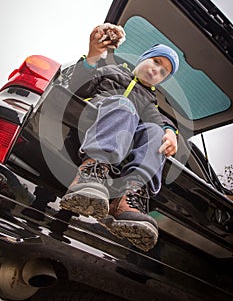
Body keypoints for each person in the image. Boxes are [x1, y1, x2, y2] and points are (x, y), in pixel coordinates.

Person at [60, 24, 179, 251]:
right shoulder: (112, 71)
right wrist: (94, 55)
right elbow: (77, 86)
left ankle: (128, 197)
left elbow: (161, 122)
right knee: (123, 104)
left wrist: (170, 132)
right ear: (144, 58)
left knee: (155, 132)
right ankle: (91, 172)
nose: (156, 71)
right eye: (156, 62)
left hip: (122, 145)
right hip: (89, 127)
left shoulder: (149, 101)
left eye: (163, 72)